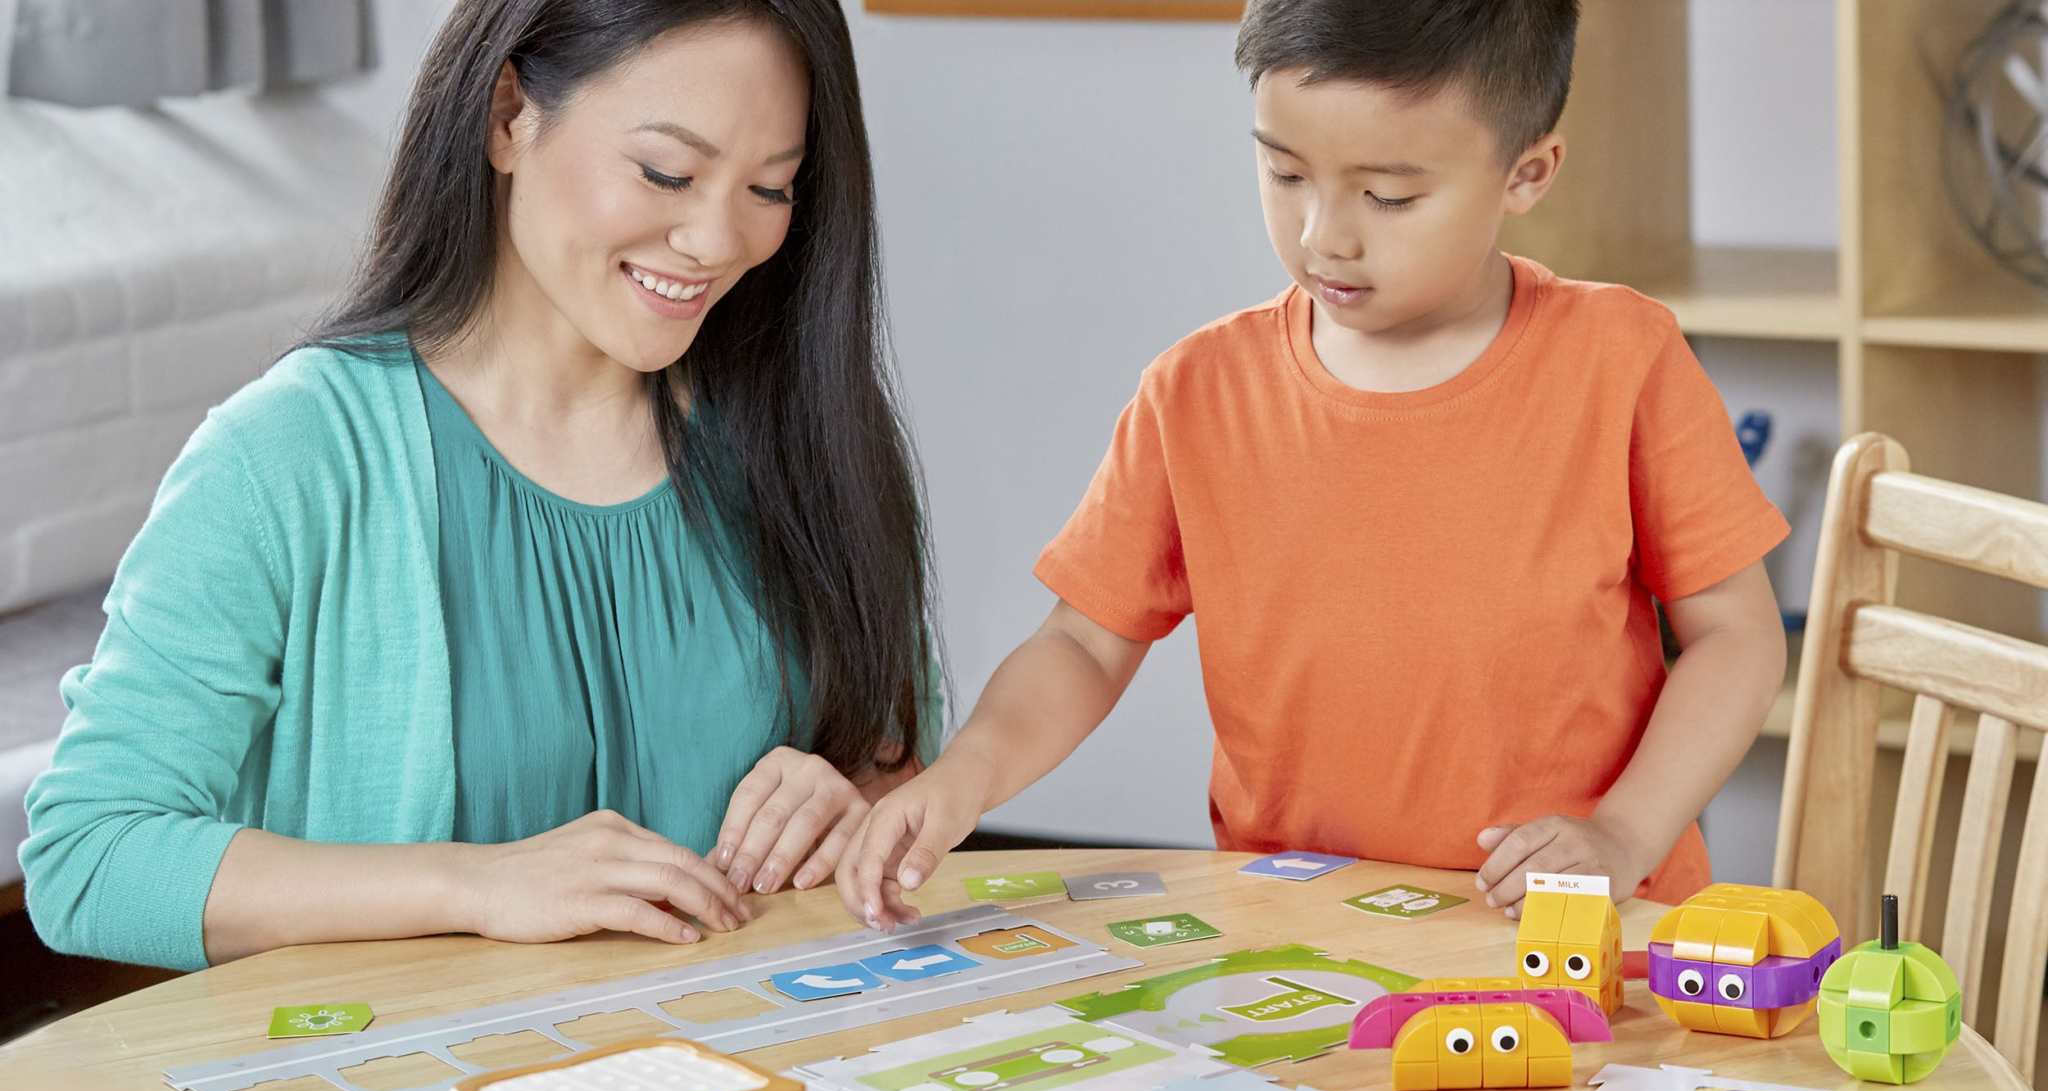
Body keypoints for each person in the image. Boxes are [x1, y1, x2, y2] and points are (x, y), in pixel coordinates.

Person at [22, 0, 938, 970]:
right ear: (509, 118)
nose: (716, 239)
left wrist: (850, 811)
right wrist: (477, 882)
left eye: (769, 188)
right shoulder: (290, 454)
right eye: (666, 171)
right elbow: (90, 856)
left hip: (740, 1089)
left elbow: (899, 774)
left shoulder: (804, 438)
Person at [837, 0, 1786, 929]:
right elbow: (1082, 646)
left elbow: (1735, 636)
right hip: (1303, 939)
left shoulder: (1621, 359)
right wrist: (963, 777)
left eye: (1389, 196)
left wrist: (1623, 833)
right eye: (1284, 172)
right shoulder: (1198, 391)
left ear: (1527, 172)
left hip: (1582, 927)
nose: (1324, 234)